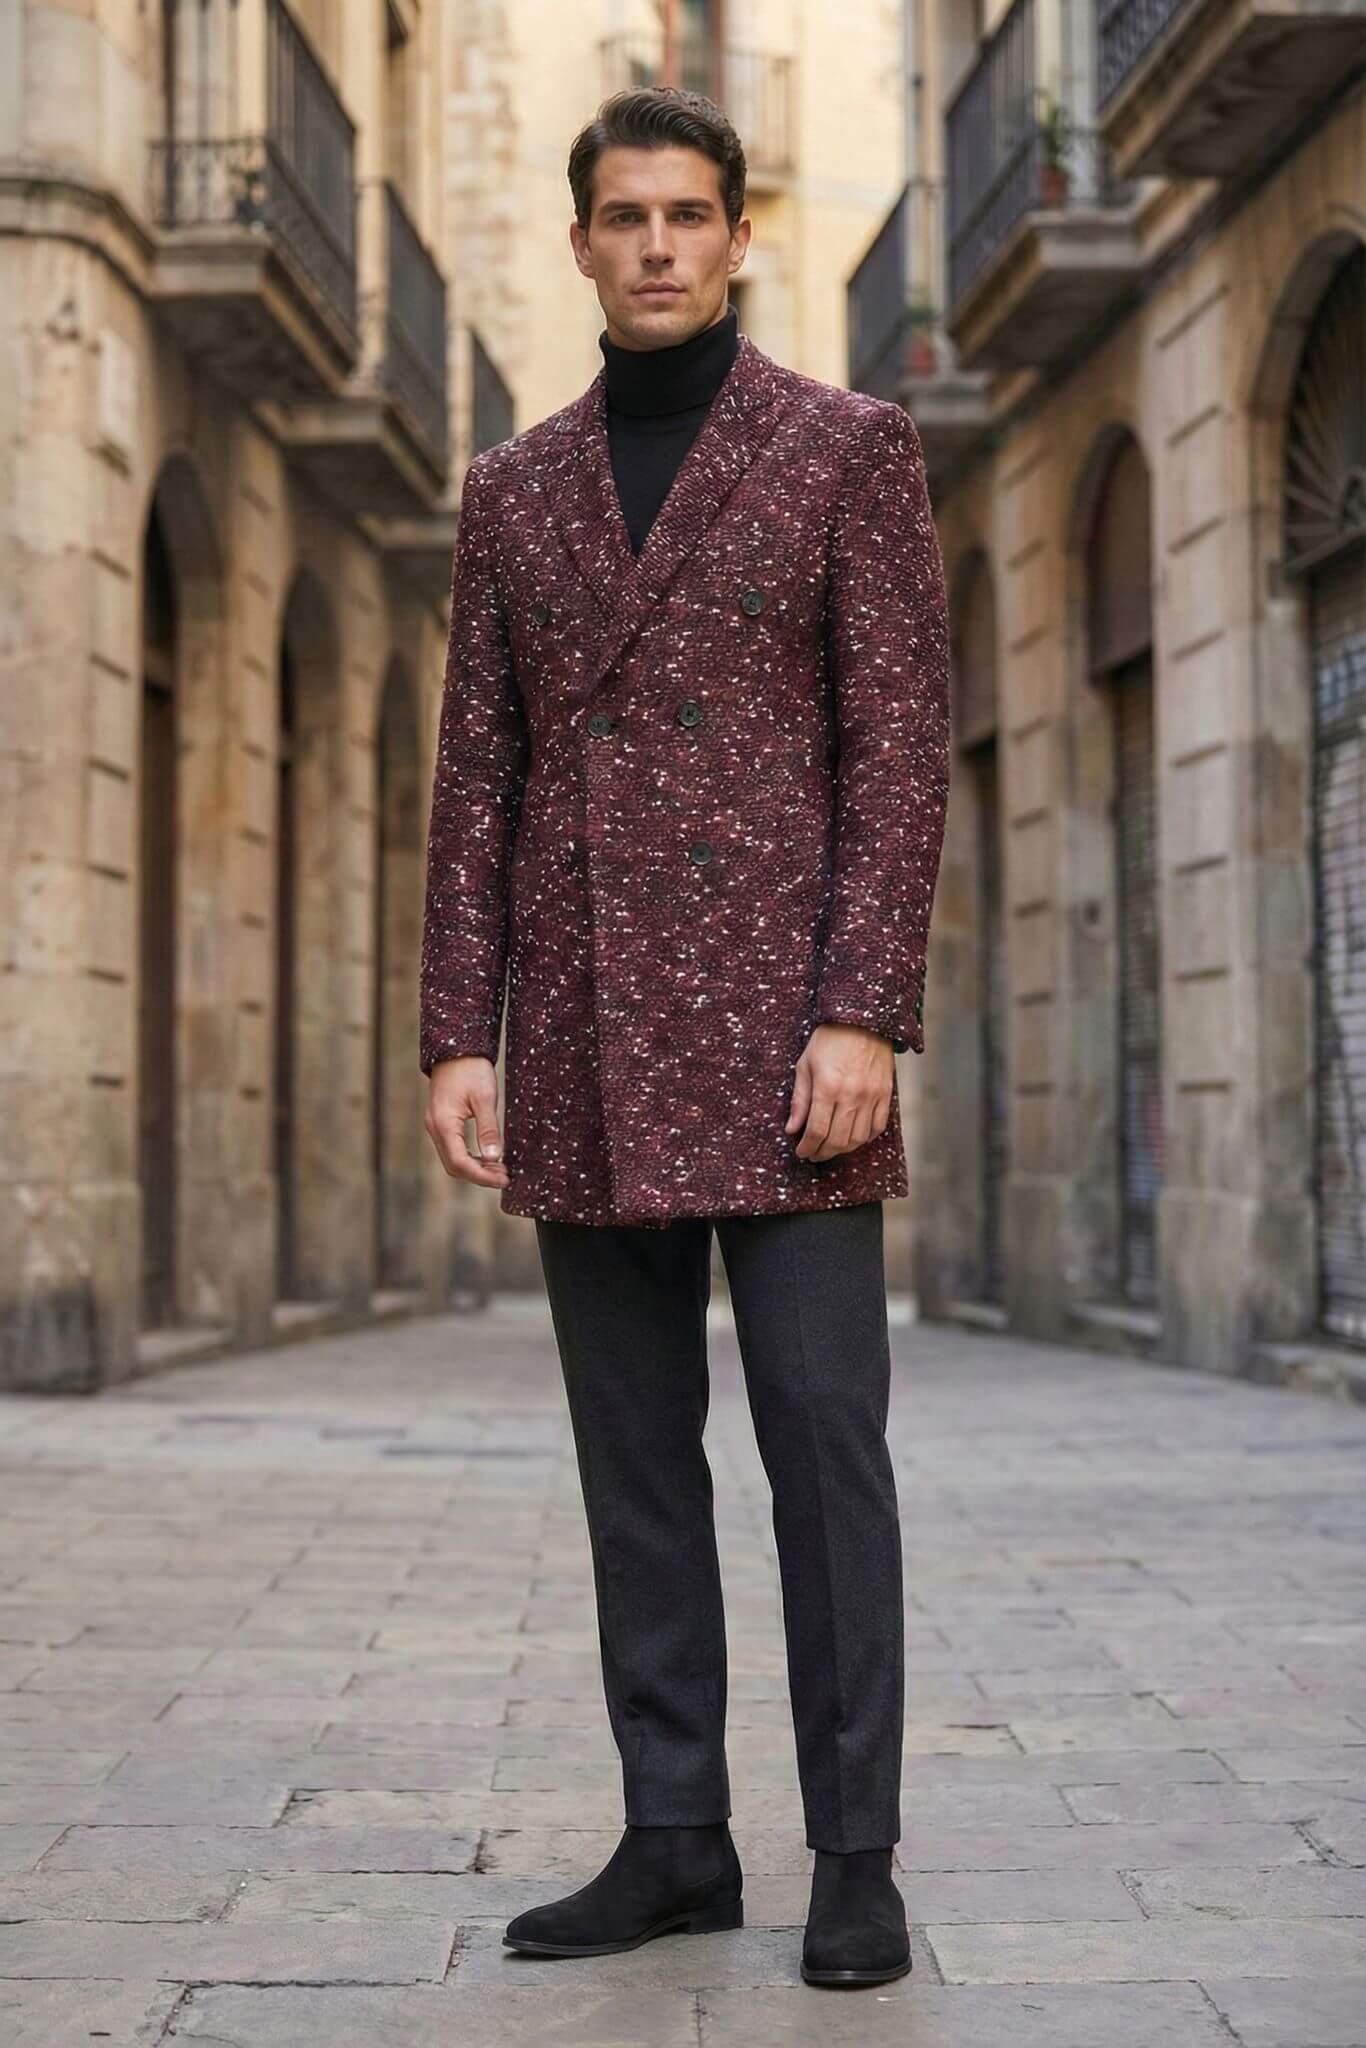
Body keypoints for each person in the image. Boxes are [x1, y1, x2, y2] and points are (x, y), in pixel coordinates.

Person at [419, 84, 950, 1989]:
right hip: (576, 1027)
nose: (655, 244)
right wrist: (454, 1034)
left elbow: (895, 751)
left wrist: (862, 1009)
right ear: (581, 243)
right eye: (623, 215)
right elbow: (477, 766)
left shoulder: (844, 450)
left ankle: (856, 1854)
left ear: (740, 238)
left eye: (689, 214)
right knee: (633, 1457)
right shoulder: (515, 487)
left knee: (824, 1445)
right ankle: (672, 1838)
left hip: (791, 1038)